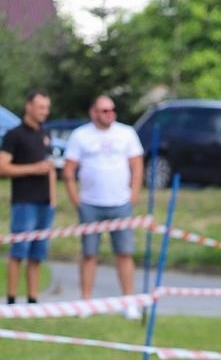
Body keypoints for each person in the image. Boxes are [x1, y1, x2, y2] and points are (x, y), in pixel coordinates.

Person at [62, 95, 143, 316]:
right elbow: (69, 170)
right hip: (90, 203)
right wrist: (76, 200)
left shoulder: (126, 133)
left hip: (120, 202)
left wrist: (134, 193)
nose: (109, 114)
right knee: (89, 254)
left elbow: (137, 165)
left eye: (112, 110)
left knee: (124, 253)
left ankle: (129, 302)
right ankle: (86, 302)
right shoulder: (80, 135)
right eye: (104, 110)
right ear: (93, 112)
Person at [1, 90, 55, 307]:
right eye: (41, 107)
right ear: (29, 106)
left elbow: (49, 167)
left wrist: (53, 199)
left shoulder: (45, 133)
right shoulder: (14, 135)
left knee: (37, 253)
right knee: (19, 252)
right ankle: (12, 299)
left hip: (44, 202)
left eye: (47, 108)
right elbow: (3, 167)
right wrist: (33, 168)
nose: (45, 112)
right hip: (24, 201)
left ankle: (33, 299)